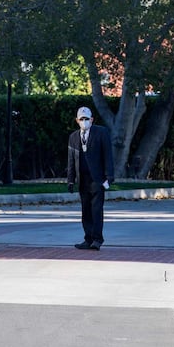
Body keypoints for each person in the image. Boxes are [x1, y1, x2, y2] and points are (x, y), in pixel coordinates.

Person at [67, 106, 114, 251]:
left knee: (96, 210)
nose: (84, 121)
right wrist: (70, 180)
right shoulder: (74, 137)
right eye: (81, 119)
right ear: (77, 120)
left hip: (97, 179)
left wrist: (109, 176)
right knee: (85, 210)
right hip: (83, 180)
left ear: (92, 119)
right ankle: (88, 238)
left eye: (87, 119)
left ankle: (97, 239)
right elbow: (71, 160)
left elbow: (107, 155)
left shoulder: (101, 133)